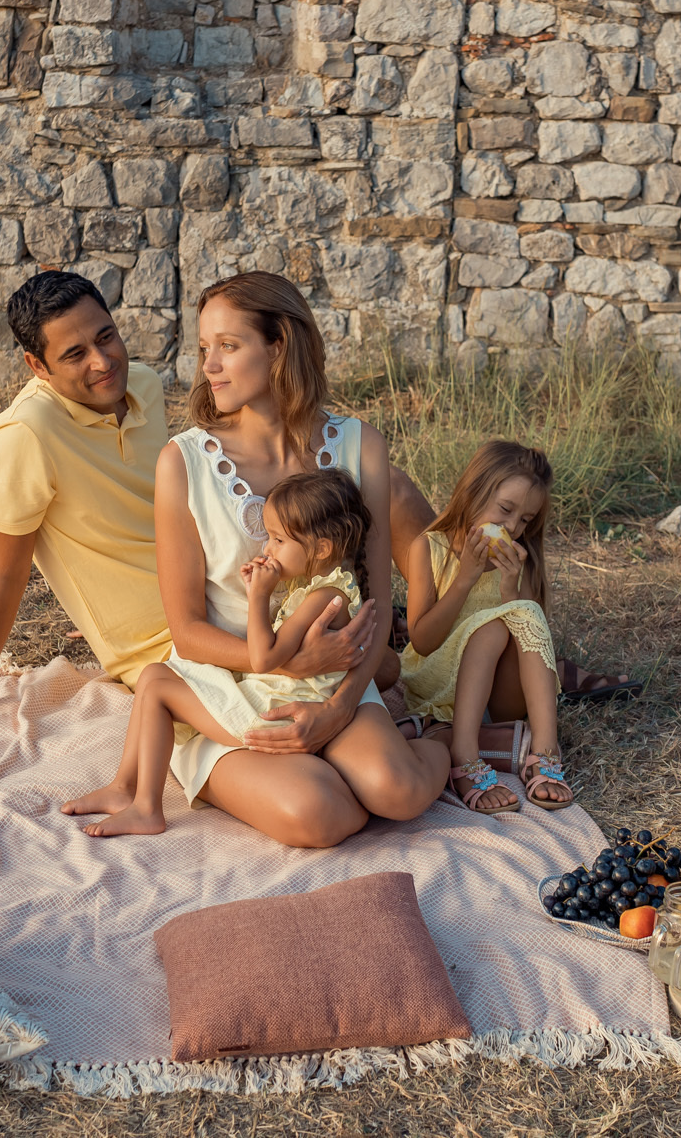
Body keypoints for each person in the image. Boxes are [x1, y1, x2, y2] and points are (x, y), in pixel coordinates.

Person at [0, 270, 373, 728]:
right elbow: (5, 574)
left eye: (106, 336)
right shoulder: (22, 436)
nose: (103, 361)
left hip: (221, 595)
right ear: (35, 365)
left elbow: (187, 503)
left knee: (364, 483)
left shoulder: (145, 388)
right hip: (170, 643)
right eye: (74, 354)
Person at [63, 273, 450, 847]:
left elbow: (374, 608)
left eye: (228, 346)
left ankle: (439, 736)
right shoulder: (183, 462)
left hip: (331, 680)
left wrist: (341, 709)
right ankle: (215, 764)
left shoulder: (359, 446)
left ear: (279, 346)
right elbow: (188, 633)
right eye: (202, 350)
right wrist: (284, 664)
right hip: (226, 685)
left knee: (398, 793)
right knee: (320, 816)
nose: (208, 367)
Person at [62, 468, 374, 837]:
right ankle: (122, 789)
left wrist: (257, 596)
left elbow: (263, 658)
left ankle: (146, 806)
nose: (267, 550)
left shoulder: (324, 598)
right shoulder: (331, 588)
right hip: (273, 699)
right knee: (155, 675)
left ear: (321, 548)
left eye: (277, 540)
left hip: (273, 718)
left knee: (157, 688)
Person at [399, 441, 573, 813]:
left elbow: (532, 642)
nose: (512, 527)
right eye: (506, 510)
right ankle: (465, 754)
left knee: (523, 615)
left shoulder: (518, 562)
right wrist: (463, 580)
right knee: (492, 628)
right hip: (439, 680)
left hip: (497, 698)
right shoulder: (429, 548)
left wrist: (512, 591)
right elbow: (423, 641)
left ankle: (545, 752)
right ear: (474, 492)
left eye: (525, 520)